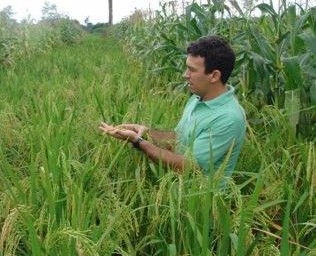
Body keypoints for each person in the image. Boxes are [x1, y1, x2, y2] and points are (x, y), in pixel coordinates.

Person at [100, 35, 246, 182]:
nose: (185, 75)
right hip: (177, 192)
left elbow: (189, 167)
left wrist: (138, 142)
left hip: (203, 201)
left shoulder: (228, 118)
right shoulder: (197, 99)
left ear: (214, 76)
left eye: (191, 70)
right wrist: (144, 132)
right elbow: (179, 140)